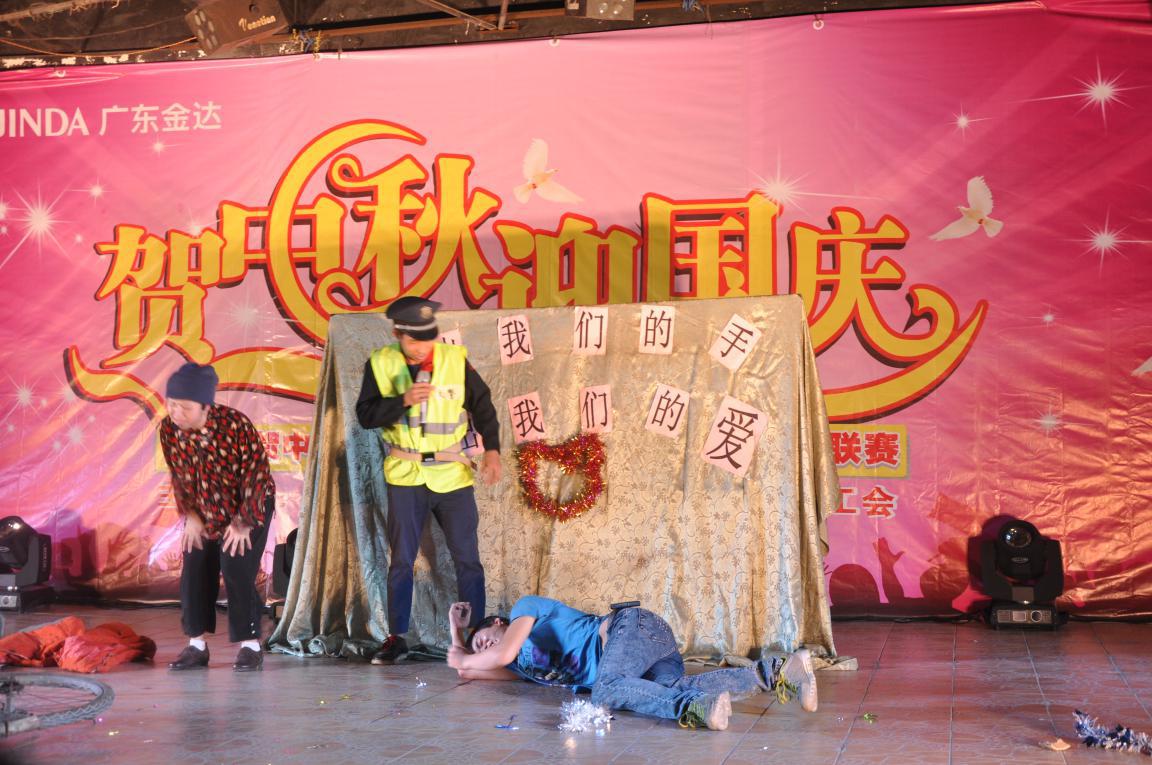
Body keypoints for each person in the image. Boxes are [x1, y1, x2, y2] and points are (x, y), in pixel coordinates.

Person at [356, 296, 502, 665]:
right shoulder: (380, 363)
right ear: (397, 334)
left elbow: (483, 405)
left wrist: (493, 451)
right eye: (415, 340)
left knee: (467, 559)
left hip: (451, 475)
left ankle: (475, 635)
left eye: (429, 338)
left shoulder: (454, 360)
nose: (423, 347)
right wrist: (402, 400)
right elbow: (366, 416)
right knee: (401, 561)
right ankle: (396, 637)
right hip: (405, 475)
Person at [445, 597, 818, 730]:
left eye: (484, 638)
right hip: (646, 654)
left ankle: (696, 709)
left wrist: (467, 650)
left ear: (499, 622)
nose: (484, 647)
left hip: (631, 628)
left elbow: (501, 653)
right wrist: (457, 636)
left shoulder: (524, 609)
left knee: (604, 691)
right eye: (480, 648)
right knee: (670, 687)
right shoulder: (521, 667)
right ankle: (780, 671)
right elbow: (466, 669)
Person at [159, 362, 275, 672]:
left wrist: (242, 521)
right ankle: (196, 645)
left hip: (248, 506)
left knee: (235, 564)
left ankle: (250, 645)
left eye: (185, 407)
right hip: (203, 508)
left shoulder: (235, 425)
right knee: (195, 563)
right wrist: (191, 515)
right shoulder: (168, 429)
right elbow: (179, 477)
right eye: (172, 404)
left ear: (205, 406)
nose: (176, 412)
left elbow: (256, 475)